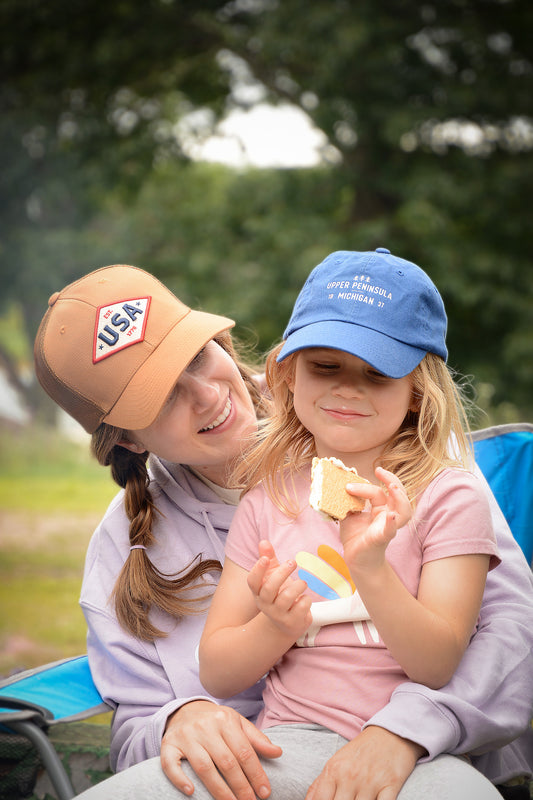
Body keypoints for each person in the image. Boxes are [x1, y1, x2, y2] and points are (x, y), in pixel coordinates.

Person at [32, 261, 533, 800]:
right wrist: (178, 718)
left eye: (197, 356)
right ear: (127, 440)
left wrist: (406, 731)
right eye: (162, 396)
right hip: (261, 767)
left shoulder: (416, 460)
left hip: (425, 759)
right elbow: (136, 728)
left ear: (222, 343)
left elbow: (511, 632)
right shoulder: (128, 546)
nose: (207, 395)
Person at [198, 246, 505, 794]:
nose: (347, 387)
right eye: (326, 366)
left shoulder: (450, 496)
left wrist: (371, 568)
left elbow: (436, 665)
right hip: (286, 742)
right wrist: (276, 625)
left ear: (417, 392)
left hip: (418, 752)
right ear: (289, 374)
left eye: (378, 373)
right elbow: (217, 673)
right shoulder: (267, 500)